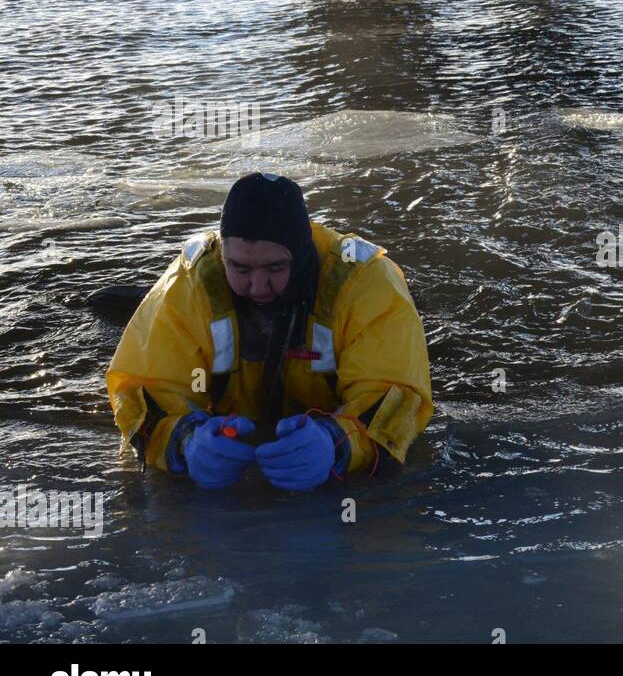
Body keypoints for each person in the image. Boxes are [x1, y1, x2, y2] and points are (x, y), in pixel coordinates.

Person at [105, 173, 434, 491]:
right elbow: (144, 394)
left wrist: (339, 445)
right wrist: (185, 441)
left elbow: (394, 401)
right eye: (240, 268)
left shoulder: (368, 286)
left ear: (301, 256)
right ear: (224, 255)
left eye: (275, 268)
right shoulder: (191, 283)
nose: (257, 286)